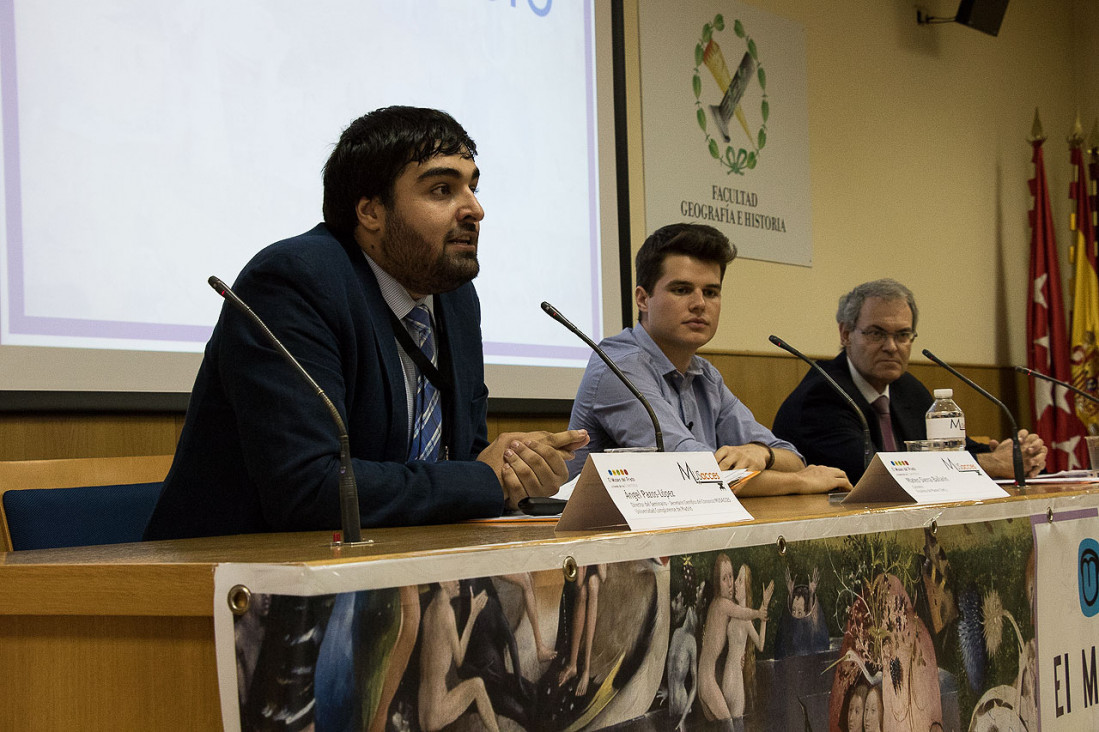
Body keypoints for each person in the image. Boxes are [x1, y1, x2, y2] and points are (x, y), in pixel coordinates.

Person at [145, 106, 587, 540]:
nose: (475, 209)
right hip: (226, 579)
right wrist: (483, 480)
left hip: (388, 567)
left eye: (472, 187)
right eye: (441, 190)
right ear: (370, 212)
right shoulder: (293, 282)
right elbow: (311, 489)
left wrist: (513, 468)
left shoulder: (454, 299)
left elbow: (461, 459)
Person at [567, 223, 851, 496]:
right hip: (595, 537)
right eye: (681, 290)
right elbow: (693, 472)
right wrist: (800, 483)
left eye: (711, 292)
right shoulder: (618, 364)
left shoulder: (705, 375)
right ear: (643, 299)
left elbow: (791, 456)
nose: (700, 303)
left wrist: (761, 453)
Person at [773, 278, 1047, 484]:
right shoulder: (821, 395)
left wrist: (1015, 454)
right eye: (877, 334)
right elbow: (877, 471)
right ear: (846, 334)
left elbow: (953, 447)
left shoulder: (907, 389)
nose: (892, 347)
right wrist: (989, 464)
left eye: (903, 335)